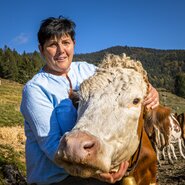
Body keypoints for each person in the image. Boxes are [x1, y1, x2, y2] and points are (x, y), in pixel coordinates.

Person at [20, 16, 159, 185]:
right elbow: (51, 146)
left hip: (92, 163)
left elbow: (122, 81)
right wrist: (97, 174)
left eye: (65, 42)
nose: (61, 50)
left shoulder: (87, 69)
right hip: (56, 178)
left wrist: (149, 88)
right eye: (52, 45)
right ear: (41, 50)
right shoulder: (35, 89)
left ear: (74, 44)